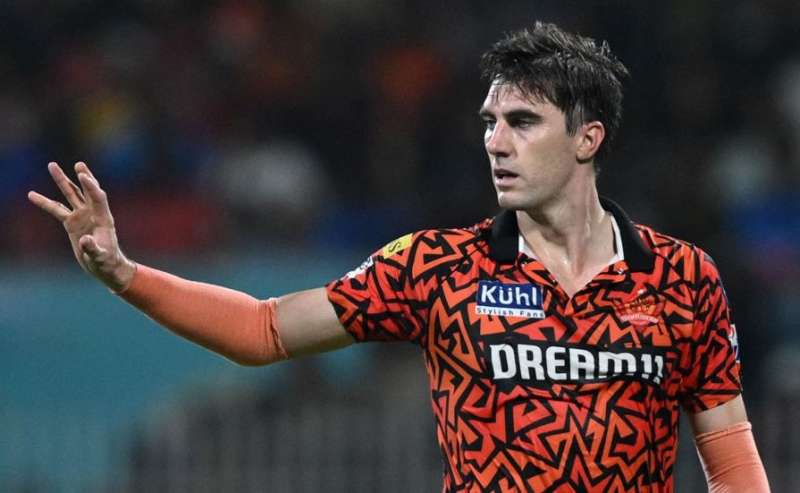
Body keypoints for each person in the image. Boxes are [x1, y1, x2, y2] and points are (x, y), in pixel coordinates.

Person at [29, 21, 769, 493]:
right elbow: (264, 329)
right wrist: (125, 275)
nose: (495, 142)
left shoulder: (682, 278)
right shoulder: (436, 267)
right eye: (489, 121)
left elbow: (731, 462)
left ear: (587, 138)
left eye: (522, 121)